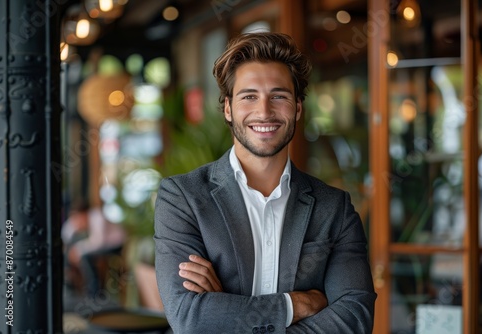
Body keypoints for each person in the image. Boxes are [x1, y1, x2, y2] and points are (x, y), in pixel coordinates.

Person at [154, 32, 376, 333]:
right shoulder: (184, 197)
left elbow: (355, 318)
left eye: (279, 96)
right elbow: (190, 317)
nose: (264, 111)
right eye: (249, 96)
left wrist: (228, 310)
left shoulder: (334, 207)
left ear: (297, 108)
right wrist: (296, 305)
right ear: (228, 108)